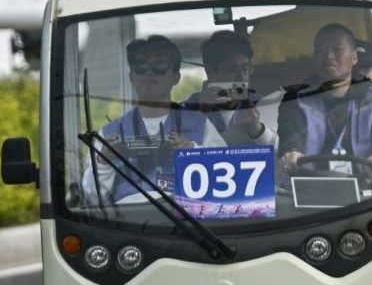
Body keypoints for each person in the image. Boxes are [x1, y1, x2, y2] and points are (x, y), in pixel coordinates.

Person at [82, 35, 226, 204]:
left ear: (175, 77)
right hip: (127, 226)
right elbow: (92, 199)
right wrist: (104, 160)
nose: (149, 72)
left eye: (159, 65)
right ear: (132, 77)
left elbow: (226, 181)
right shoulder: (108, 134)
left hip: (187, 221)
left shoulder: (201, 125)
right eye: (141, 65)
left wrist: (192, 153)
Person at [277, 23, 372, 178]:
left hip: (368, 189)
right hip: (308, 186)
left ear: (354, 57)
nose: (328, 56)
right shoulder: (296, 98)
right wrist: (292, 151)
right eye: (320, 51)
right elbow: (290, 133)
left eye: (337, 50)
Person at [182, 30, 276, 146]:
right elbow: (181, 150)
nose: (241, 77)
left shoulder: (263, 104)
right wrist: (202, 112)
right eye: (232, 70)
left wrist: (257, 130)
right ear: (209, 71)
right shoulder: (188, 109)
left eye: (245, 69)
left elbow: (285, 153)